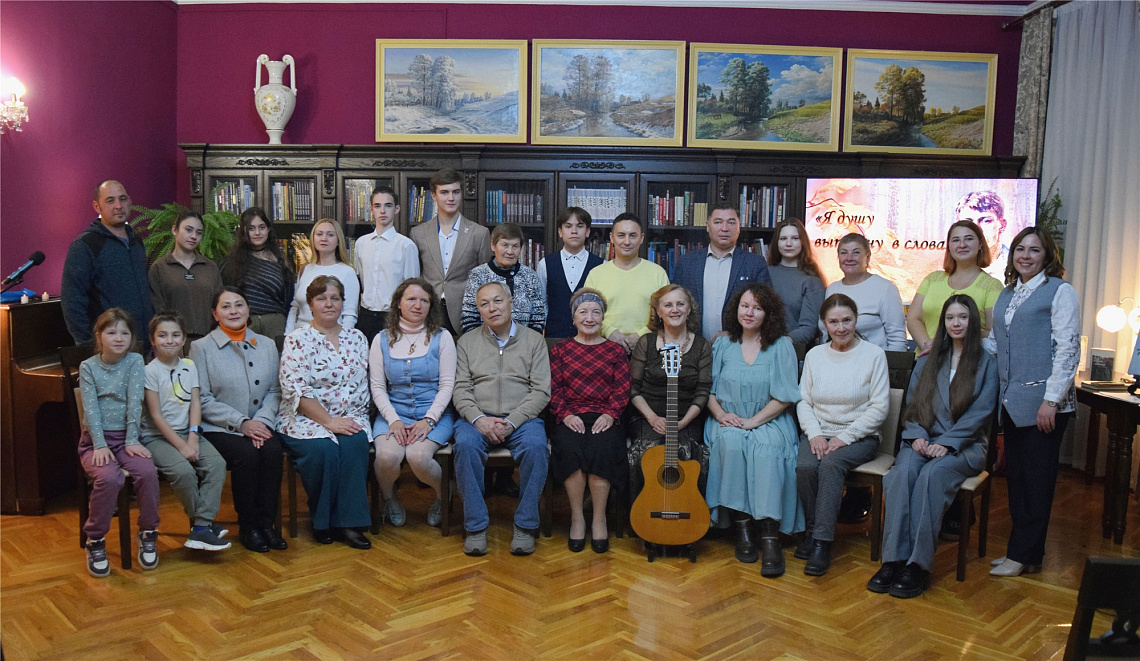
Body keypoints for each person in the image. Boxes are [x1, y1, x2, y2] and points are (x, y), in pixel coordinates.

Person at [869, 296, 997, 598]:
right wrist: (918, 437)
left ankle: (917, 565)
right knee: (901, 475)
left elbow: (982, 413)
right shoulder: (926, 360)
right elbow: (913, 406)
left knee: (931, 477)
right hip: (922, 439)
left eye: (963, 317)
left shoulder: (986, 364)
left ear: (973, 322)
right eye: (950, 317)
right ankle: (893, 560)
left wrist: (948, 444)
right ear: (943, 323)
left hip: (964, 447)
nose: (956, 323)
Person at [988, 227, 1080, 577]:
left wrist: (1051, 401)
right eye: (1020, 249)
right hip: (1012, 403)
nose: (1025, 255)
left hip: (1044, 405)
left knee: (1037, 482)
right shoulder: (1009, 293)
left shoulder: (1059, 291)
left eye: (1034, 250)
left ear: (1047, 256)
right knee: (1019, 481)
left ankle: (1021, 553)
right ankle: (1026, 553)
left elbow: (1068, 349)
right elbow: (1000, 344)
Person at [704, 284, 802, 575]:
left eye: (757, 308)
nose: (749, 312)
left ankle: (770, 537)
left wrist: (753, 421)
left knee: (766, 451)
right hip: (727, 419)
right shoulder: (722, 344)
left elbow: (785, 396)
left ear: (767, 314)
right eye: (745, 306)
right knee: (731, 445)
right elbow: (706, 391)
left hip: (769, 419)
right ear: (736, 309)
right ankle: (743, 530)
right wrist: (722, 415)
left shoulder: (781, 345)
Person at [452, 281, 551, 557]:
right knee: (466, 447)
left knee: (536, 449)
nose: (492, 308)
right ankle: (475, 526)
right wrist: (479, 419)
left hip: (522, 419)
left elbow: (541, 390)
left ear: (510, 302)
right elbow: (460, 389)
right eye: (484, 304)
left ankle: (525, 524)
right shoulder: (467, 342)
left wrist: (512, 422)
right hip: (477, 418)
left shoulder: (534, 340)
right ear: (479, 310)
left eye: (497, 301)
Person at [796, 293, 889, 576]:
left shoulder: (873, 355)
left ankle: (823, 542)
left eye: (846, 320)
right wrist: (814, 435)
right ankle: (812, 530)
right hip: (818, 432)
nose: (841, 328)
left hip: (860, 437)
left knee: (832, 464)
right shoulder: (814, 355)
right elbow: (804, 402)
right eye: (833, 322)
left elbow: (880, 406)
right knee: (805, 467)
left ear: (856, 319)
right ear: (824, 324)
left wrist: (843, 438)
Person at [278, 275, 373, 549]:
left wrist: (345, 420)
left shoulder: (357, 338)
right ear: (310, 303)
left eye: (335, 298)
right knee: (324, 451)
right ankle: (323, 521)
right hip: (306, 418)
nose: (329, 304)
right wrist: (329, 421)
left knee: (354, 443)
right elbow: (295, 388)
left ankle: (351, 524)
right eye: (322, 298)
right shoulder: (297, 339)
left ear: (343, 302)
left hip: (351, 415)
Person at [192, 287, 287, 554]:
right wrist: (242, 423)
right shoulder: (201, 348)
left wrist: (263, 422)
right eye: (226, 306)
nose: (233, 311)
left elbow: (276, 390)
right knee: (246, 454)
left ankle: (266, 525)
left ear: (248, 310)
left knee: (272, 451)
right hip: (220, 427)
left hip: (262, 423)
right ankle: (249, 527)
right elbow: (204, 398)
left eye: (239, 305)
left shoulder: (267, 344)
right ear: (215, 313)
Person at [77, 308, 160, 577]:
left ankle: (148, 532)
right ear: (99, 336)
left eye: (124, 332)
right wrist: (100, 444)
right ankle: (96, 539)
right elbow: (91, 411)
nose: (119, 338)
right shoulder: (88, 366)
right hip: (95, 440)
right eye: (111, 332)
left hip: (127, 438)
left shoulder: (135, 361)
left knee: (147, 472)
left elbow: (135, 402)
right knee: (110, 479)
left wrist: (132, 439)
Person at [548, 289, 630, 553]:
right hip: (569, 415)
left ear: (603, 318)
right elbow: (553, 388)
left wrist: (610, 414)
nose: (589, 317)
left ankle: (599, 519)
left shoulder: (615, 351)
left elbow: (622, 388)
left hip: (605, 415)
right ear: (573, 318)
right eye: (583, 312)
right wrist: (565, 414)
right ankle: (576, 518)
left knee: (602, 448)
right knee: (571, 448)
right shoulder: (560, 350)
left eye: (596, 312)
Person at [370, 278, 457, 528]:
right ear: (398, 303)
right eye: (411, 299)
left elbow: (447, 385)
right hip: (393, 413)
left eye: (424, 300)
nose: (417, 305)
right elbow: (377, 386)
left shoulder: (443, 337)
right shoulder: (381, 339)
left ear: (431, 306)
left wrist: (429, 420)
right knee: (386, 457)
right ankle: (389, 499)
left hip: (435, 414)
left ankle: (443, 493)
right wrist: (393, 420)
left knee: (418, 457)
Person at [140, 312, 230, 552]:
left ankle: (201, 527)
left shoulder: (189, 366)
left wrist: (192, 438)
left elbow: (196, 404)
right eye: (162, 335)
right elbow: (156, 416)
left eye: (175, 335)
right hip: (157, 437)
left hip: (187, 432)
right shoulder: (150, 371)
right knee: (183, 471)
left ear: (183, 340)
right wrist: (182, 447)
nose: (169, 340)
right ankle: (204, 525)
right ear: (153, 340)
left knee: (216, 464)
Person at [628, 284, 713, 499]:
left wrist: (683, 422)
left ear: (689, 309)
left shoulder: (702, 345)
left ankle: (686, 511)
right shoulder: (646, 343)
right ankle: (643, 511)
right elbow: (633, 387)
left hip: (687, 417)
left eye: (680, 304)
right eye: (668, 305)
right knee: (644, 452)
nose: (674, 310)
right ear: (658, 311)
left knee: (689, 453)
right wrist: (652, 418)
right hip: (647, 416)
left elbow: (703, 391)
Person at [62, 180, 154, 347]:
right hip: (108, 348)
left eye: (123, 199)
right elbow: (72, 301)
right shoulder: (85, 245)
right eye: (110, 201)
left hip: (142, 344)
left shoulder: (136, 241)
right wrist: (88, 345)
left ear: (130, 202)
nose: (118, 206)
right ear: (97, 207)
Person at [671, 202, 771, 341]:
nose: (724, 228)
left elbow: (766, 308)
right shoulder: (687, 262)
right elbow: (674, 304)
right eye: (718, 222)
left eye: (731, 223)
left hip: (738, 345)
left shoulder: (755, 263)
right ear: (707, 226)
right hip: (692, 346)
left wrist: (735, 334)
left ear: (738, 227)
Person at [409, 168, 493, 335]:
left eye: (456, 192)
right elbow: (416, 278)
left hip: (466, 315)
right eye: (444, 192)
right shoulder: (418, 233)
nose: (451, 198)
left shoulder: (479, 233)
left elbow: (485, 281)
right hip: (428, 311)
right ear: (434, 196)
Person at [907, 220, 1003, 355]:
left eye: (969, 239)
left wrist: (950, 343)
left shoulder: (992, 286)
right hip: (927, 359)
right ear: (949, 247)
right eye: (956, 240)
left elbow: (992, 332)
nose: (962, 245)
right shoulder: (932, 279)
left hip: (968, 362)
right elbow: (913, 318)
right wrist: (929, 347)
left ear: (980, 244)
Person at [584, 213, 670, 354]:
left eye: (633, 235)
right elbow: (586, 312)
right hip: (603, 348)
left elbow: (666, 313)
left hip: (649, 348)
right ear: (612, 238)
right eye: (621, 235)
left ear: (641, 238)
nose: (627, 242)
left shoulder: (657, 273)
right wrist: (609, 331)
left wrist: (641, 335)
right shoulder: (596, 274)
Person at [354, 187, 420, 345]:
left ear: (397, 209)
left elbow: (412, 287)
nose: (382, 210)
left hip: (393, 315)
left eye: (388, 205)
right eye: (377, 206)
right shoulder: (361, 243)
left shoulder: (406, 246)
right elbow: (359, 280)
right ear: (371, 209)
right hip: (365, 314)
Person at [820, 233, 907, 351]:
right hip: (837, 361)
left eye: (856, 252)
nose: (849, 258)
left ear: (867, 257)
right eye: (844, 252)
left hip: (874, 365)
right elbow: (826, 336)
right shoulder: (832, 289)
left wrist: (890, 367)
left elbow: (897, 339)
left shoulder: (885, 288)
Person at [220, 207, 294, 341]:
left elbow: (289, 299)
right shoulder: (231, 261)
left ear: (268, 229)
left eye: (261, 227)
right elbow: (223, 295)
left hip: (275, 323)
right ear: (244, 231)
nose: (257, 233)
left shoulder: (281, 260)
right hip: (244, 322)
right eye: (251, 228)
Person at [148, 210, 223, 342]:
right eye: (188, 230)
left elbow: (220, 305)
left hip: (209, 339)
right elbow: (157, 310)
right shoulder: (160, 268)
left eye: (199, 233)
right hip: (173, 342)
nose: (194, 236)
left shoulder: (210, 267)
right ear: (174, 230)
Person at [460, 223, 546, 334]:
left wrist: (527, 343)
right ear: (493, 245)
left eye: (515, 246)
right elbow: (468, 319)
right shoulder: (478, 275)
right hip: (485, 345)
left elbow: (538, 318)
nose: (510, 252)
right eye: (505, 245)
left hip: (524, 346)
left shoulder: (530, 276)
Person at [285, 218, 360, 335]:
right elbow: (295, 307)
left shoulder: (347, 272)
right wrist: (288, 334)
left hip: (332, 337)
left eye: (330, 235)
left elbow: (349, 315)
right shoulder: (305, 269)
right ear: (313, 239)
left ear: (338, 240)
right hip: (300, 337)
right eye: (319, 234)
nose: (324, 238)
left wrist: (343, 340)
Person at [538, 207, 603, 338]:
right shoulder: (545, 264)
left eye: (579, 226)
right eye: (568, 226)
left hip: (590, 339)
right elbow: (542, 303)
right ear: (560, 232)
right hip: (554, 337)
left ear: (587, 231)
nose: (574, 231)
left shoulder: (601, 265)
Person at [767, 218, 826, 346]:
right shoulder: (764, 273)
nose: (789, 244)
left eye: (795, 238)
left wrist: (781, 343)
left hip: (793, 351)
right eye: (783, 239)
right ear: (776, 242)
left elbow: (809, 328)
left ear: (803, 242)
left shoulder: (811, 281)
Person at [954, 191, 1009, 281]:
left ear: (1002, 225)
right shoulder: (949, 272)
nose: (976, 229)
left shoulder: (1018, 268)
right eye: (968, 222)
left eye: (986, 221)